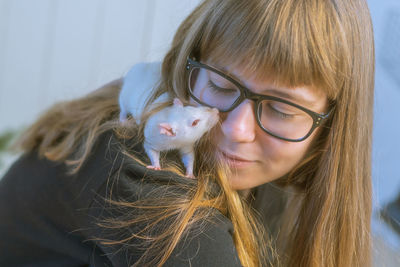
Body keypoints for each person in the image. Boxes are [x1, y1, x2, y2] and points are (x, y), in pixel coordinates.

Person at [0, 0, 375, 266]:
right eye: (222, 86)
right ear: (186, 64)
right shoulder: (147, 182)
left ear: (330, 128)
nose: (235, 129)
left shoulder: (262, 186)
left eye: (281, 109)